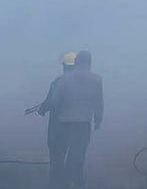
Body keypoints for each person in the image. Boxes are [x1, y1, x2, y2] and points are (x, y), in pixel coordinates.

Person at [50, 50, 103, 189]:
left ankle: (61, 183)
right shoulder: (96, 79)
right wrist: (98, 120)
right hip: (83, 125)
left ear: (76, 62)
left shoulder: (64, 79)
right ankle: (75, 182)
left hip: (63, 124)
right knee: (77, 157)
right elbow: (98, 103)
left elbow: (55, 102)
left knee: (61, 155)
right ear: (90, 62)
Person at [33, 52, 77, 189]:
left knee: (56, 158)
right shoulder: (83, 85)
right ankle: (68, 183)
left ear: (64, 66)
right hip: (76, 128)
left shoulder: (58, 82)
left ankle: (55, 184)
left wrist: (41, 109)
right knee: (73, 158)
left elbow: (51, 102)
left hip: (58, 127)